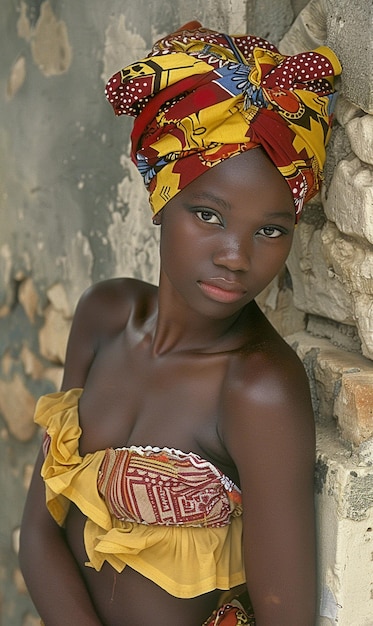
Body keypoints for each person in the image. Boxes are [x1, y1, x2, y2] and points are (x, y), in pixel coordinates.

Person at [19, 21, 341, 626]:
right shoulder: (104, 317)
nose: (237, 256)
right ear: (162, 197)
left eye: (271, 230)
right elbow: (38, 534)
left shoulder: (257, 388)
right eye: (208, 214)